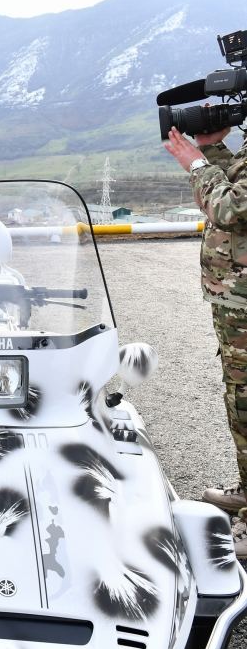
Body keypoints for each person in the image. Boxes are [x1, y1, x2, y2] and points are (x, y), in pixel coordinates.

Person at [165, 124, 247, 552]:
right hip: (237, 305)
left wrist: (195, 164)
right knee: (240, 400)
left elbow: (233, 207)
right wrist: (213, 148)